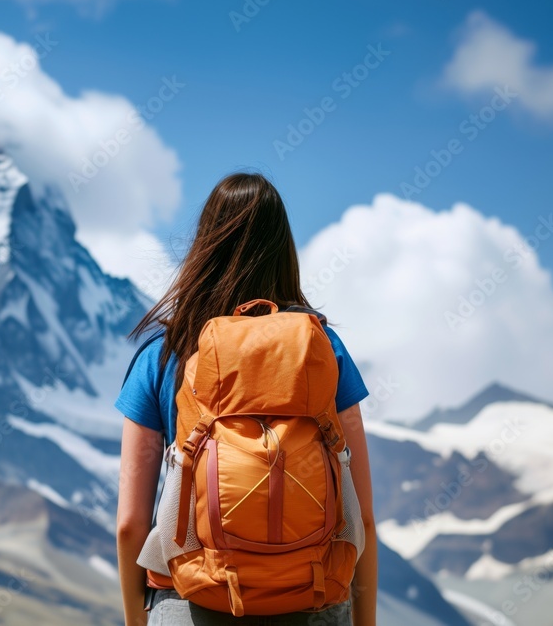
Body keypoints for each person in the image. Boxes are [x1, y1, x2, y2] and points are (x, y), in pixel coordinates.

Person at [114, 173, 378, 626]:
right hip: (311, 595)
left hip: (191, 599)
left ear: (204, 246)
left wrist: (138, 620)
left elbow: (130, 525)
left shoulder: (165, 354)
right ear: (284, 251)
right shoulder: (322, 349)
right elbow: (362, 518)